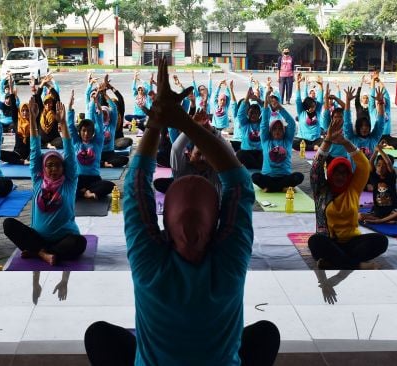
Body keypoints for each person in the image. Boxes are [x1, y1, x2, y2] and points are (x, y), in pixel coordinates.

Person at [84, 57, 280, 366]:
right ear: (217, 225)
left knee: (99, 335)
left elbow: (136, 186)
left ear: (163, 227)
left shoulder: (149, 265)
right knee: (265, 333)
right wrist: (185, 122)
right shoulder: (230, 262)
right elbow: (240, 183)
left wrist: (159, 121)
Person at [3, 97, 87, 266]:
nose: (54, 169)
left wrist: (63, 123)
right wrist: (33, 120)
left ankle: (39, 251)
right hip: (38, 236)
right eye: (49, 165)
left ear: (64, 168)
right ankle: (42, 252)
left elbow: (69, 152)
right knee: (8, 224)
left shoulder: (69, 182)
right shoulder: (38, 180)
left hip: (64, 238)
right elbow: (34, 150)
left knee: (79, 243)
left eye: (57, 166)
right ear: (43, 169)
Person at [307, 115, 388, 270]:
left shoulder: (353, 189)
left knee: (381, 241)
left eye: (344, 173)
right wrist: (328, 140)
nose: (340, 176)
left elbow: (364, 165)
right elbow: (316, 169)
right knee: (315, 241)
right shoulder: (322, 190)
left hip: (352, 242)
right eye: (337, 172)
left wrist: (344, 142)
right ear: (330, 174)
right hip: (328, 242)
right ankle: (355, 264)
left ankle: (336, 261)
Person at [252, 90, 303, 192]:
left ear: (284, 131)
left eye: (280, 129)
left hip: (284, 176)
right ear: (270, 131)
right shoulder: (266, 140)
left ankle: (271, 188)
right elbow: (264, 123)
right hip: (268, 177)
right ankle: (281, 188)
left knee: (299, 176)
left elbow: (292, 124)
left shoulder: (287, 141)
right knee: (255, 176)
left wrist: (280, 108)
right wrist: (266, 102)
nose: (277, 131)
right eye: (275, 129)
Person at [69, 92, 115, 200]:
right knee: (66, 187)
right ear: (79, 132)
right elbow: (70, 126)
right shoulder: (76, 142)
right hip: (79, 178)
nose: (86, 134)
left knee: (111, 186)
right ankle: (85, 193)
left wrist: (97, 105)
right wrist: (70, 107)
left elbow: (99, 125)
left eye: (89, 131)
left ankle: (86, 192)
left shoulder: (97, 143)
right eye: (84, 131)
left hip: (94, 179)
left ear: (93, 132)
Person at [359, 144, 397, 224]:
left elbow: (388, 163)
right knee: (359, 216)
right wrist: (375, 151)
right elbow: (370, 162)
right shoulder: (374, 177)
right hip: (378, 212)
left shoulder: (391, 177)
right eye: (378, 165)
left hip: (392, 210)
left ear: (388, 168)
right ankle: (388, 220)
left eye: (384, 166)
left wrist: (380, 150)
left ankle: (380, 221)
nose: (381, 168)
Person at [344, 87, 386, 159]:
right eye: (361, 126)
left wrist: (381, 103)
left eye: (366, 126)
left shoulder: (373, 138)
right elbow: (347, 122)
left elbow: (380, 122)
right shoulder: (351, 138)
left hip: (370, 169)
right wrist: (347, 101)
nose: (364, 128)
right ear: (357, 127)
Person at [293, 73, 324, 151]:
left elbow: (320, 99)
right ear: (307, 106)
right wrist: (298, 83)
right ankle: (313, 148)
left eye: (314, 106)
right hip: (303, 140)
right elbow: (298, 99)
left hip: (316, 140)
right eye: (312, 106)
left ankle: (313, 147)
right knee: (294, 143)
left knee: (327, 142)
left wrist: (321, 85)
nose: (314, 108)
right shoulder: (301, 112)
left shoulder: (317, 111)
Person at [235, 88, 263, 169]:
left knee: (267, 153)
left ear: (259, 114)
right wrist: (247, 98)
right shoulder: (244, 124)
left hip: (259, 152)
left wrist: (258, 100)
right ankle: (258, 166)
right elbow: (240, 114)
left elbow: (267, 112)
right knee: (240, 154)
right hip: (247, 152)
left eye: (256, 113)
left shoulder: (262, 124)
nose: (253, 115)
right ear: (247, 114)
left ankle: (254, 165)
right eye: (251, 113)